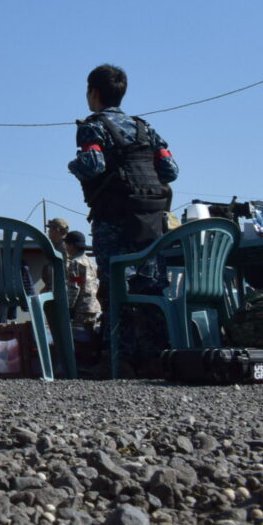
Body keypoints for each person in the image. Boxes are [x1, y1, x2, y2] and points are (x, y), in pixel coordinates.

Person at [68, 64, 180, 376]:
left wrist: (72, 165)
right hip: (151, 220)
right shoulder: (145, 128)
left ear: (93, 92)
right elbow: (171, 171)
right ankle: (158, 357)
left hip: (113, 220)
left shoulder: (93, 127)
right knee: (151, 288)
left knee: (114, 288)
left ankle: (119, 359)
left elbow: (93, 164)